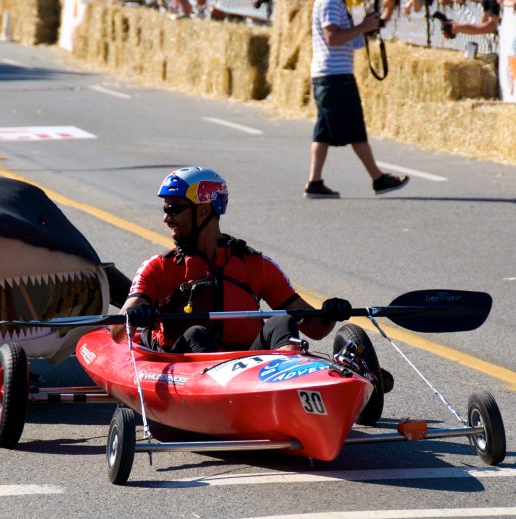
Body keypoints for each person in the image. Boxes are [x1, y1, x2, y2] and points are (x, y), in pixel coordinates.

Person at [114, 166, 353, 353]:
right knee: (197, 334)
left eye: (174, 209)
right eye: (166, 209)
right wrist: (133, 317)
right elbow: (117, 332)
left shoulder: (255, 265)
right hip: (184, 368)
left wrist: (330, 313)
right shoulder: (159, 268)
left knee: (282, 321)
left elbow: (314, 328)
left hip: (244, 372)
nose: (167, 218)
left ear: (205, 211)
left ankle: (288, 386)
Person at [305, 0, 410, 199]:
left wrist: (369, 27)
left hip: (332, 74)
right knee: (355, 129)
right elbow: (332, 37)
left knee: (323, 132)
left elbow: (350, 41)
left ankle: (315, 182)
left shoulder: (338, 4)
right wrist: (363, 26)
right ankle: (378, 178)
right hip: (335, 76)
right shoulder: (331, 3)